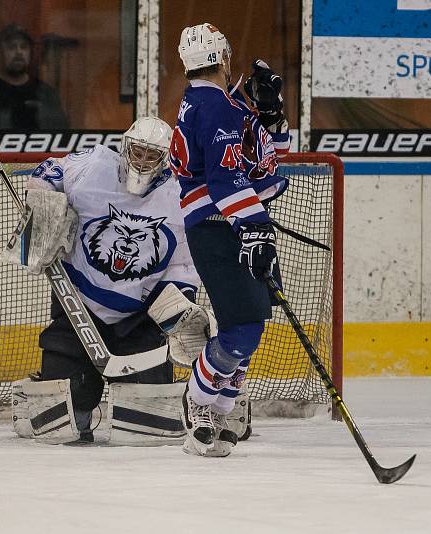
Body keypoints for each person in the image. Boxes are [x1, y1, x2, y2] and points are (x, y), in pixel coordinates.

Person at [21, 116, 211, 444]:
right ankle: (54, 392)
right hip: (78, 307)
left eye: (152, 156)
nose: (141, 161)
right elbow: (52, 168)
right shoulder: (95, 165)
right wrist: (42, 197)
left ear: (166, 160)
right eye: (136, 152)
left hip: (140, 317)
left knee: (148, 425)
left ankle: (214, 399)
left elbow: (183, 263)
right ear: (124, 147)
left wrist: (178, 308)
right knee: (61, 417)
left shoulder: (179, 195)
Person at [169, 23, 291, 456]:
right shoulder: (214, 107)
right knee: (241, 330)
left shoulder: (221, 102)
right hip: (222, 226)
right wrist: (253, 228)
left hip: (235, 221)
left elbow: (267, 158)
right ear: (223, 56)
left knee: (253, 328)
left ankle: (220, 408)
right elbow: (224, 181)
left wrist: (270, 113)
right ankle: (199, 402)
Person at [0, 24, 69, 131]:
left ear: (30, 52)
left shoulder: (46, 94)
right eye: (11, 47)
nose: (19, 52)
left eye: (24, 47)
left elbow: (61, 134)